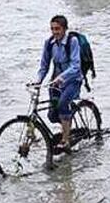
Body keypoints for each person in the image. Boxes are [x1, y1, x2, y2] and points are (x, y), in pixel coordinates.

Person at [32, 15, 83, 153]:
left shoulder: (72, 42)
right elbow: (44, 67)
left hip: (73, 80)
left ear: (64, 29)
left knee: (62, 105)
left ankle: (65, 141)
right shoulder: (49, 43)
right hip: (56, 82)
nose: (55, 32)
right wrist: (37, 81)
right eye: (52, 29)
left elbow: (76, 66)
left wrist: (63, 77)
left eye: (58, 29)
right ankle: (68, 125)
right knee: (52, 115)